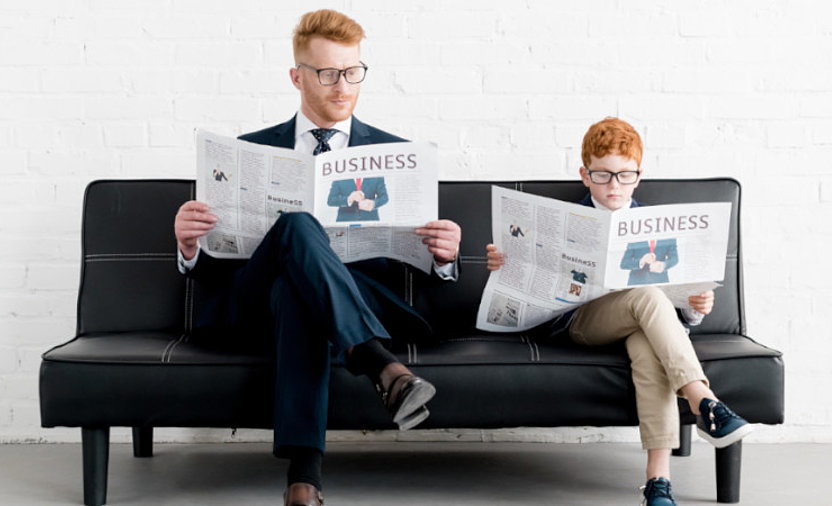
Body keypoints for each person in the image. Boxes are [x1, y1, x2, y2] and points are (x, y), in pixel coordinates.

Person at [174, 10, 461, 506]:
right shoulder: (248, 151)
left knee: (298, 292)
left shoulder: (396, 154)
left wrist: (444, 257)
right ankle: (380, 366)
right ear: (296, 76)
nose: (342, 86)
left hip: (358, 300)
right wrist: (189, 247)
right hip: (253, 305)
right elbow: (222, 265)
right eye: (327, 73)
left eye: (352, 72)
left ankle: (304, 478)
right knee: (297, 226)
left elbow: (426, 274)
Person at [485, 117, 751, 506]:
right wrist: (507, 264)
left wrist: (696, 307)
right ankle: (702, 400)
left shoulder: (658, 228)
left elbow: (681, 303)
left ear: (638, 176)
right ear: (584, 174)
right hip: (581, 322)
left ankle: (658, 482)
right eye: (603, 174)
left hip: (640, 322)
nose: (614, 185)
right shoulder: (562, 220)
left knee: (647, 345)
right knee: (645, 296)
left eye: (624, 176)